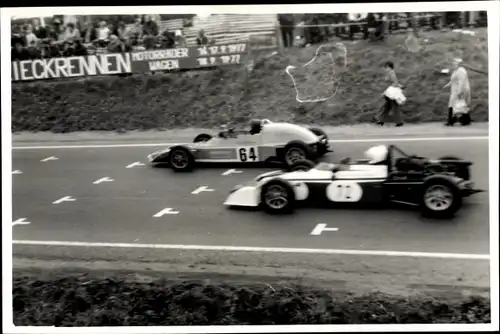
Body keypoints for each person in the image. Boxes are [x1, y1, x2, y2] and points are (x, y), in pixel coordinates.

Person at [444, 58, 472, 126]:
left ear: (459, 64)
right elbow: (453, 79)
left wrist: (459, 92)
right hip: (456, 90)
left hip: (460, 90)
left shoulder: (461, 71)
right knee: (463, 105)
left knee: (452, 104)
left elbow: (461, 82)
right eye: (453, 62)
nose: (453, 63)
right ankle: (466, 120)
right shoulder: (456, 70)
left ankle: (450, 121)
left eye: (455, 62)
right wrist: (448, 84)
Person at [376, 61, 405, 127]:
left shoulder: (391, 73)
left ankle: (399, 122)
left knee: (394, 106)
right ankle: (381, 120)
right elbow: (395, 83)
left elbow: (395, 83)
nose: (385, 69)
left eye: (386, 67)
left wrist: (387, 91)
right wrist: (400, 86)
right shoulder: (390, 73)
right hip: (389, 93)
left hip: (391, 93)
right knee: (388, 106)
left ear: (389, 67)